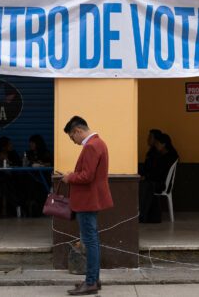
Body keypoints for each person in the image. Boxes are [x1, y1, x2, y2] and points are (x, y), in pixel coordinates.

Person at [63, 116, 113, 296]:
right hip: (92, 199)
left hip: (87, 200)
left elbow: (87, 176)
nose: (73, 141)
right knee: (93, 241)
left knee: (90, 241)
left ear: (77, 131)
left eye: (71, 137)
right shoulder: (99, 143)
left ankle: (91, 282)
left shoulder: (91, 146)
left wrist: (70, 177)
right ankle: (94, 279)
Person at [138, 132, 179, 223]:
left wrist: (146, 177)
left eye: (157, 143)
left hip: (161, 184)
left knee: (145, 185)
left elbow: (159, 174)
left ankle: (142, 215)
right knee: (144, 184)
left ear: (163, 144)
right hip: (156, 181)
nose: (155, 146)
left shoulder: (169, 157)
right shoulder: (160, 155)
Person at [0, 136, 23, 217]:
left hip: (12, 178)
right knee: (3, 181)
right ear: (3, 146)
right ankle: (14, 206)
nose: (11, 145)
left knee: (4, 182)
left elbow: (19, 165)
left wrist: (9, 162)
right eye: (9, 144)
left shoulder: (13, 153)